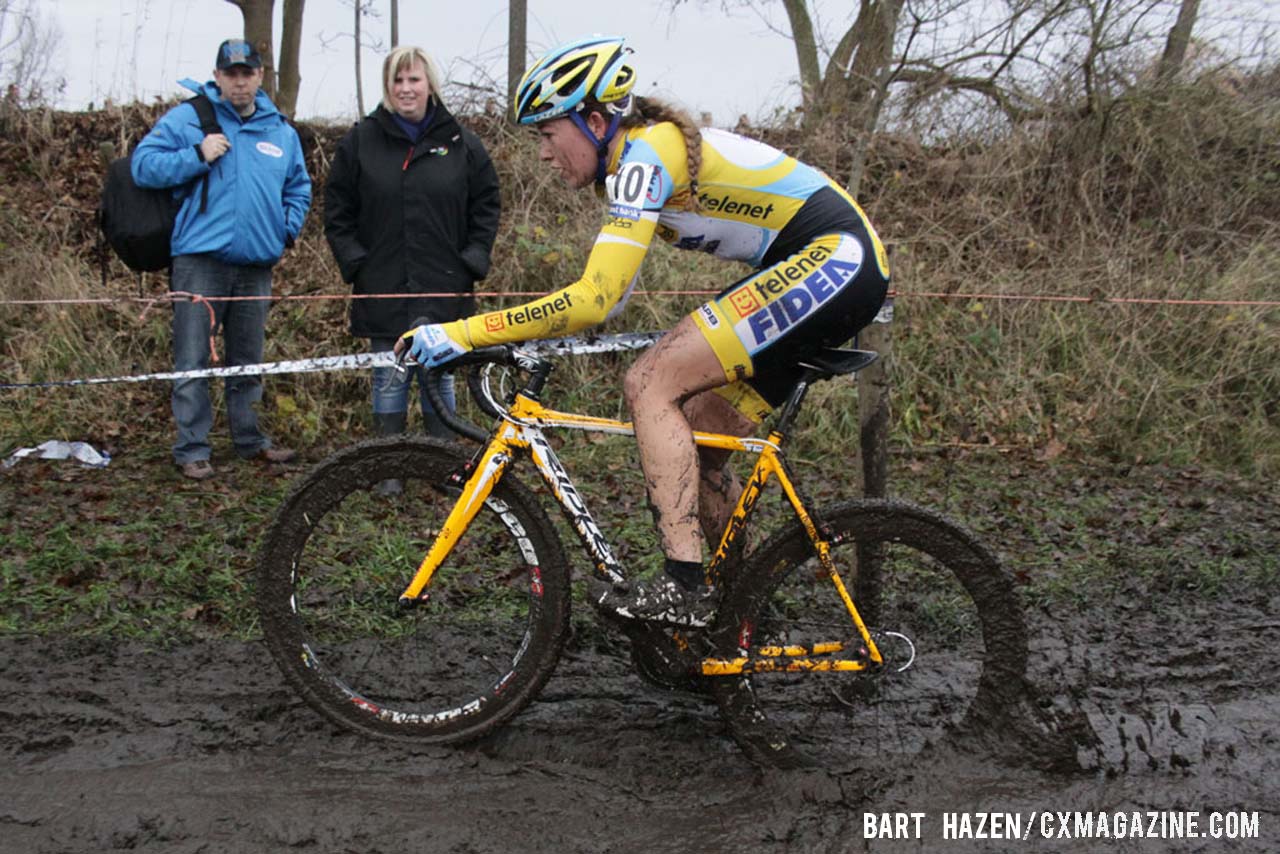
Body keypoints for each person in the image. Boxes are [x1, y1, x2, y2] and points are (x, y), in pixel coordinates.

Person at [400, 36, 890, 625]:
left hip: (836, 259)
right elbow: (610, 294)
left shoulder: (644, 157)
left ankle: (682, 586)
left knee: (650, 381)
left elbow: (595, 300)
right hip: (834, 266)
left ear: (596, 120)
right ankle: (743, 611)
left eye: (548, 134)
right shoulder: (639, 162)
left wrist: (466, 332)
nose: (543, 155)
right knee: (706, 445)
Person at [132, 38, 312, 480]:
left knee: (248, 359)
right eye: (230, 74)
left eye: (247, 73)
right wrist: (196, 154)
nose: (239, 81)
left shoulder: (280, 131)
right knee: (192, 358)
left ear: (259, 76)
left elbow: (299, 187)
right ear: (217, 77)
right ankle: (192, 448)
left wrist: (284, 229)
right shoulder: (190, 118)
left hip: (256, 265)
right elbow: (143, 165)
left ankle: (249, 440)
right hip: (200, 261)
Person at [324, 44, 500, 476]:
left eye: (414, 79)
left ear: (429, 85)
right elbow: (336, 209)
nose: (406, 88)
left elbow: (487, 203)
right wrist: (356, 262)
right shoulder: (361, 140)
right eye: (398, 80)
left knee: (439, 378)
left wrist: (472, 259)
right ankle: (389, 472)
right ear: (388, 86)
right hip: (382, 284)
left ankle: (441, 468)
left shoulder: (460, 141)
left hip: (444, 283)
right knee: (389, 380)